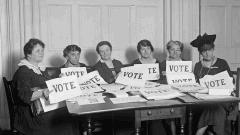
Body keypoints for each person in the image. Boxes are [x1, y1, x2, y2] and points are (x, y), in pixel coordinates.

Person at [12, 38, 80, 135]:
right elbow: (26, 96)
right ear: (28, 54)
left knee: (70, 111)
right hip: (31, 114)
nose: (41, 53)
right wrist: (43, 92)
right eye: (37, 51)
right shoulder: (23, 72)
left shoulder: (39, 69)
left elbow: (47, 85)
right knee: (66, 116)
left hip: (43, 106)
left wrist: (59, 80)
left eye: (42, 50)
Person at [191, 33, 236, 135]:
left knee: (215, 106)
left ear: (213, 49)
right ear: (200, 52)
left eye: (209, 50)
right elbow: (195, 85)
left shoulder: (222, 63)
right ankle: (214, 132)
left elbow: (231, 82)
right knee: (214, 107)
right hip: (205, 100)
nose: (207, 53)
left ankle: (201, 130)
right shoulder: (198, 66)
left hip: (224, 99)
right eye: (204, 51)